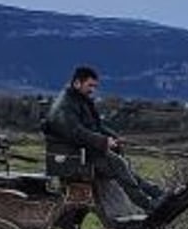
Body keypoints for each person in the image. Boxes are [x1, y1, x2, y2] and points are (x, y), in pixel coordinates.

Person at [45, 66, 164, 212]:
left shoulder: (81, 100)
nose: (92, 90)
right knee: (119, 165)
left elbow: (96, 126)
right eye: (90, 85)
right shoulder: (65, 105)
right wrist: (103, 141)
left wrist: (113, 137)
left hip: (86, 152)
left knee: (124, 167)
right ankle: (147, 205)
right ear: (77, 83)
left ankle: (157, 194)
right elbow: (76, 132)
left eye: (94, 86)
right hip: (75, 156)